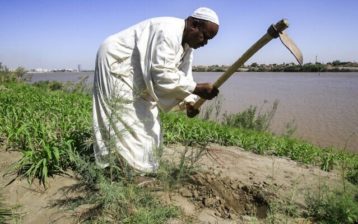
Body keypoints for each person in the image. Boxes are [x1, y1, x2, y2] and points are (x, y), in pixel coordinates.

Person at [93, 7, 220, 174]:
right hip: (116, 60)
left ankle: (136, 168)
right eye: (205, 36)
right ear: (194, 24)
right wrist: (197, 89)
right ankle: (118, 168)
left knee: (147, 117)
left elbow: (184, 75)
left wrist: (189, 102)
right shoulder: (167, 32)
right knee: (123, 113)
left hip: (138, 69)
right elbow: (162, 75)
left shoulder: (188, 45)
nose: (205, 43)